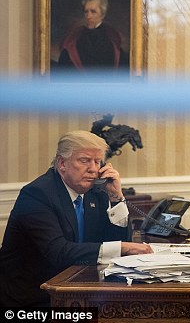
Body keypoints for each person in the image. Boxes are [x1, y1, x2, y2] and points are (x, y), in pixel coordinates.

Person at [0, 130, 153, 306]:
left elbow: (117, 244)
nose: (94, 169)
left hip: (79, 292)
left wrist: (117, 198)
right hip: (33, 299)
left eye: (97, 162)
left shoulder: (97, 192)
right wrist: (122, 247)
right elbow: (59, 252)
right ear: (62, 163)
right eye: (84, 160)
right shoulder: (37, 194)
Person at [54, 0, 129, 77]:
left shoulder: (112, 40)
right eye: (86, 12)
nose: (88, 16)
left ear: (103, 14)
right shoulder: (74, 38)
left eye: (93, 12)